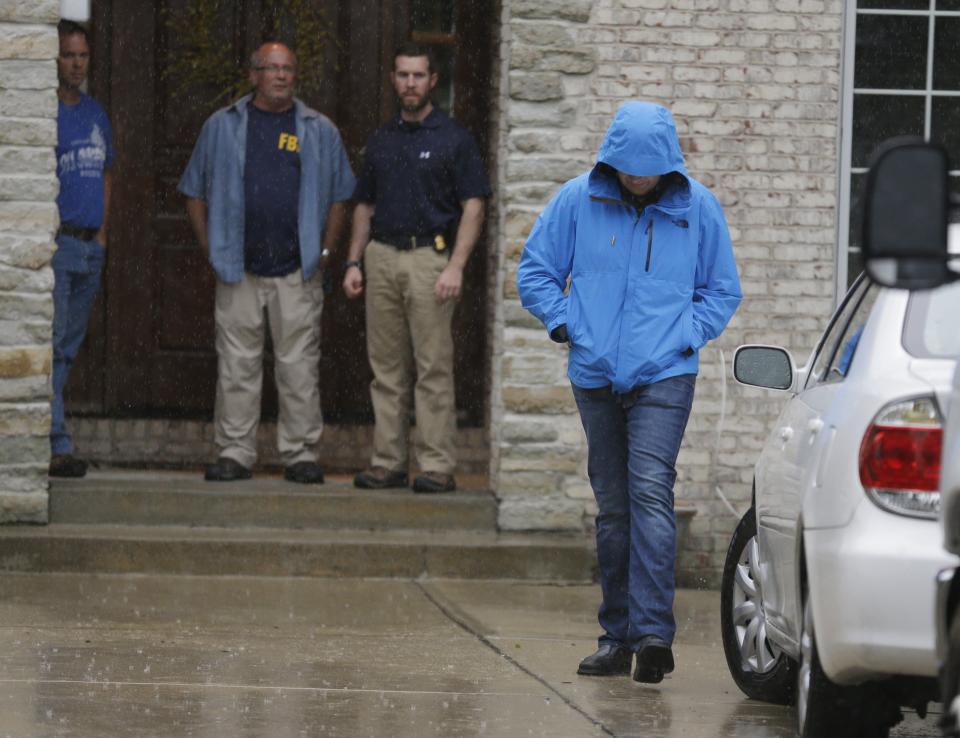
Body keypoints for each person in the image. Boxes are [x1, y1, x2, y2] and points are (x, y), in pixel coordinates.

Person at [517, 102, 742, 683]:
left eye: (648, 167)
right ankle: (615, 637)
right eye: (627, 167)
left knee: (649, 493)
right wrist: (566, 324)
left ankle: (653, 636)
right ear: (611, 159)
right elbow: (535, 271)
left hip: (666, 373)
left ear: (669, 163)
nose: (637, 177)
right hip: (594, 374)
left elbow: (721, 291)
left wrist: (683, 336)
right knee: (614, 509)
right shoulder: (577, 199)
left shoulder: (698, 208)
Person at [178, 42, 354, 484]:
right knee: (237, 365)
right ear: (253, 74)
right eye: (271, 68)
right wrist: (212, 249)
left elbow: (339, 197)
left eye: (288, 69)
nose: (280, 76)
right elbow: (194, 192)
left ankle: (300, 454)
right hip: (238, 270)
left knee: (299, 367)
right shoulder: (221, 127)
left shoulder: (319, 130)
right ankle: (235, 452)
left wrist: (326, 254)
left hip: (298, 271)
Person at [342, 43, 490, 494]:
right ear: (393, 79)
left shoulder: (454, 139)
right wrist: (353, 260)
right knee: (385, 370)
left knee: (432, 368)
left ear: (432, 82)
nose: (410, 83)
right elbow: (364, 206)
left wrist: (456, 266)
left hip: (431, 260)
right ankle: (387, 463)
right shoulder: (382, 140)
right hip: (381, 257)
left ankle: (437, 466)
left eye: (418, 76)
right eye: (403, 75)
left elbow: (474, 206)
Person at [49, 20, 114, 478]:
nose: (76, 63)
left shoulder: (95, 114)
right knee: (52, 348)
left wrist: (104, 234)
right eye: (69, 55)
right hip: (60, 245)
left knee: (68, 349)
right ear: (54, 60)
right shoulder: (45, 114)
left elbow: (107, 173)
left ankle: (52, 436)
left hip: (90, 248)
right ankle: (56, 442)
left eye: (82, 56)